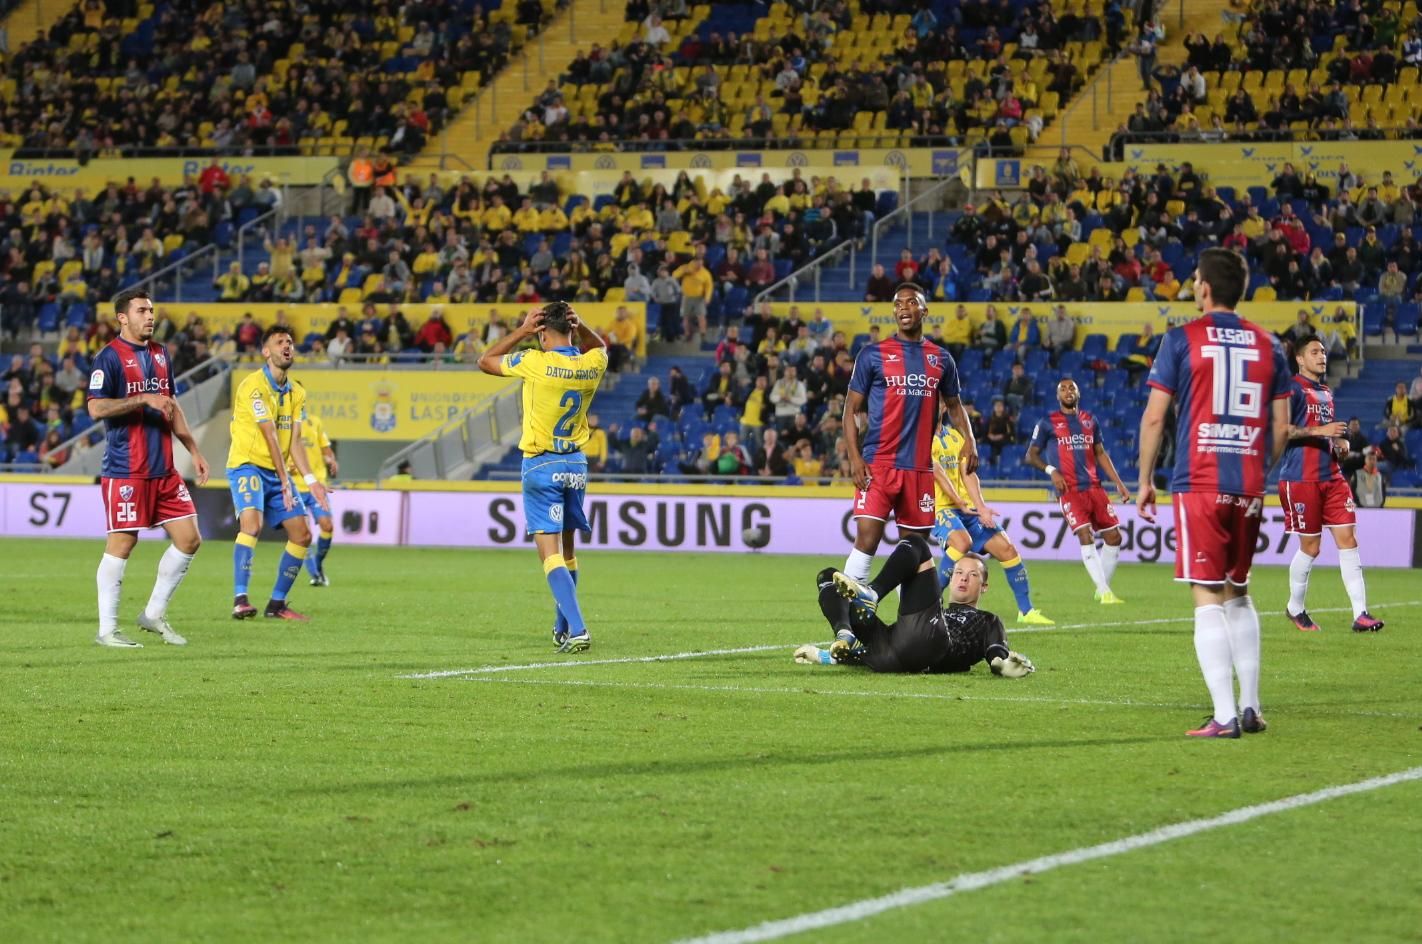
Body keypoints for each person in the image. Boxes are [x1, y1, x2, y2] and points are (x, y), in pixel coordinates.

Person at [1137, 248, 1291, 739]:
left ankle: (1224, 717)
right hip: (1248, 482)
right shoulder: (1270, 345)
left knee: (1205, 595)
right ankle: (1251, 707)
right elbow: (1283, 428)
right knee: (1238, 592)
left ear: (1203, 287)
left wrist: (1144, 480)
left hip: (1200, 481)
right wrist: (1256, 469)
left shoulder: (1181, 339)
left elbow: (1156, 416)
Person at [479, 302, 608, 652]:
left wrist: (520, 331)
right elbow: (601, 347)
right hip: (576, 467)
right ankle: (561, 626)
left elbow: (485, 361)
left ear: (541, 333)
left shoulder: (536, 361)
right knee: (568, 550)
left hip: (541, 467)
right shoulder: (591, 363)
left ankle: (578, 629)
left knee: (548, 554)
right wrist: (581, 327)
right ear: (571, 328)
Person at [85, 288, 210, 648]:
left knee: (189, 540)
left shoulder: (161, 354)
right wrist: (140, 398)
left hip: (165, 470)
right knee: (123, 543)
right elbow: (95, 409)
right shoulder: (107, 358)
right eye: (142, 310)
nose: (150, 316)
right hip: (127, 469)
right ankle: (107, 630)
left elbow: (170, 403)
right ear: (122, 317)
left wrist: (193, 448)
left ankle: (153, 614)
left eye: (152, 310)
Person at [842, 283, 977, 607]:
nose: (903, 308)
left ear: (924, 311)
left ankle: (907, 628)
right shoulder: (873, 354)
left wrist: (969, 440)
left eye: (911, 302)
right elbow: (851, 410)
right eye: (898, 303)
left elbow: (955, 406)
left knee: (913, 550)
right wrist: (855, 459)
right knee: (867, 540)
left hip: (918, 469)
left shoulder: (940, 359)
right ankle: (846, 625)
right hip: (879, 463)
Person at [796, 537, 1035, 678]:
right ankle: (845, 634)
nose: (963, 579)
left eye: (973, 575)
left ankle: (874, 593)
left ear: (984, 587)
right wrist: (823, 657)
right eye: (959, 573)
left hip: (931, 647)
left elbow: (995, 656)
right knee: (827, 576)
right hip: (887, 655)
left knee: (917, 543)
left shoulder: (988, 620)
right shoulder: (936, 609)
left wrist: (1003, 666)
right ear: (950, 578)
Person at [1277, 336, 1383, 633]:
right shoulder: (1291, 388)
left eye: (1323, 351)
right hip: (1300, 477)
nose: (1322, 356)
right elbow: (1283, 430)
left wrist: (1339, 442)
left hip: (1332, 476)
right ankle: (1295, 607)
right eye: (1314, 352)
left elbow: (1329, 433)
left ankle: (1360, 614)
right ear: (1300, 359)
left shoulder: (1325, 391)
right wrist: (1322, 430)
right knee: (1310, 547)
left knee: (1348, 540)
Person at [227, 326, 331, 621]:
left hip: (277, 471)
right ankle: (240, 600)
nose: (287, 346)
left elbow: (294, 440)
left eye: (290, 341)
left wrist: (312, 481)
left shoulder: (297, 392)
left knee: (302, 535)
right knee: (251, 525)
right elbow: (269, 433)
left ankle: (277, 604)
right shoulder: (253, 385)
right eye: (280, 342)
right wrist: (287, 481)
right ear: (266, 351)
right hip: (247, 464)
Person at [930, 418, 1053, 625]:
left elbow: (968, 473)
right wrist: (957, 501)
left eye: (942, 399)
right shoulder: (922, 437)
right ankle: (930, 603)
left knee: (1008, 550)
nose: (939, 402)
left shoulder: (955, 436)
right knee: (962, 542)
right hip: (941, 507)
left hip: (966, 507)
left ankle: (1026, 611)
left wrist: (981, 508)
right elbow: (936, 472)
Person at [1026, 378, 1133, 604]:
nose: (1067, 391)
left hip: (1094, 488)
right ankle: (1104, 591)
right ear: (1058, 396)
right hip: (1069, 490)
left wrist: (1119, 482)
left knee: (1114, 537)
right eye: (1062, 389)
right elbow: (1031, 455)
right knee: (1086, 534)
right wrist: (1051, 470)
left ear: (1078, 393)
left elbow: (1100, 453)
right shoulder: (1047, 423)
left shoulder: (1089, 420)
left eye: (1071, 387)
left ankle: (1101, 588)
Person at [289, 389, 339, 588]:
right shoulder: (282, 424)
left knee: (327, 526)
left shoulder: (314, 422)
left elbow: (325, 448)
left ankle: (318, 564)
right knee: (303, 534)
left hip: (316, 485)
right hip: (294, 487)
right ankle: (315, 574)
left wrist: (330, 458)